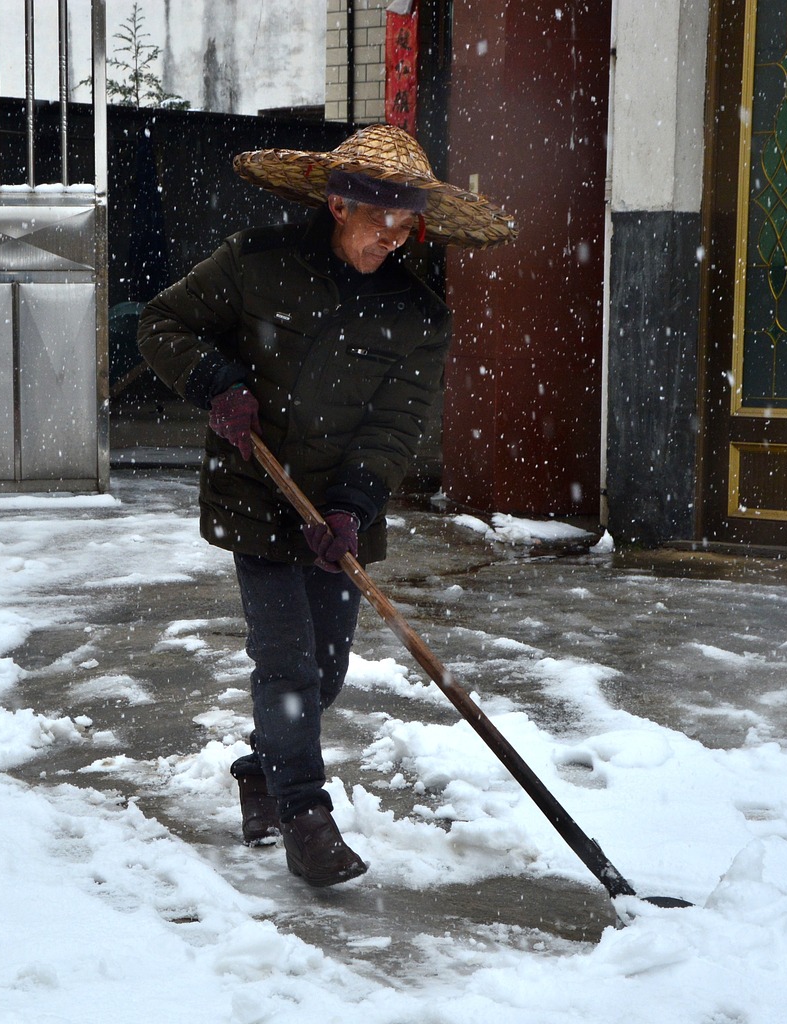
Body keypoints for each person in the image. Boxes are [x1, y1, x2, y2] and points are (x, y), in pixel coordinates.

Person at [137, 124, 514, 887]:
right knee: (286, 663)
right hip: (257, 490)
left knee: (328, 669)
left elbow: (397, 422)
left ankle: (259, 769)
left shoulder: (417, 315)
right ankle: (307, 820)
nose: (397, 236)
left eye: (409, 222)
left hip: (341, 509)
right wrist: (217, 384)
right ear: (340, 204)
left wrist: (354, 502)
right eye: (384, 218)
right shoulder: (256, 264)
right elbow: (160, 325)